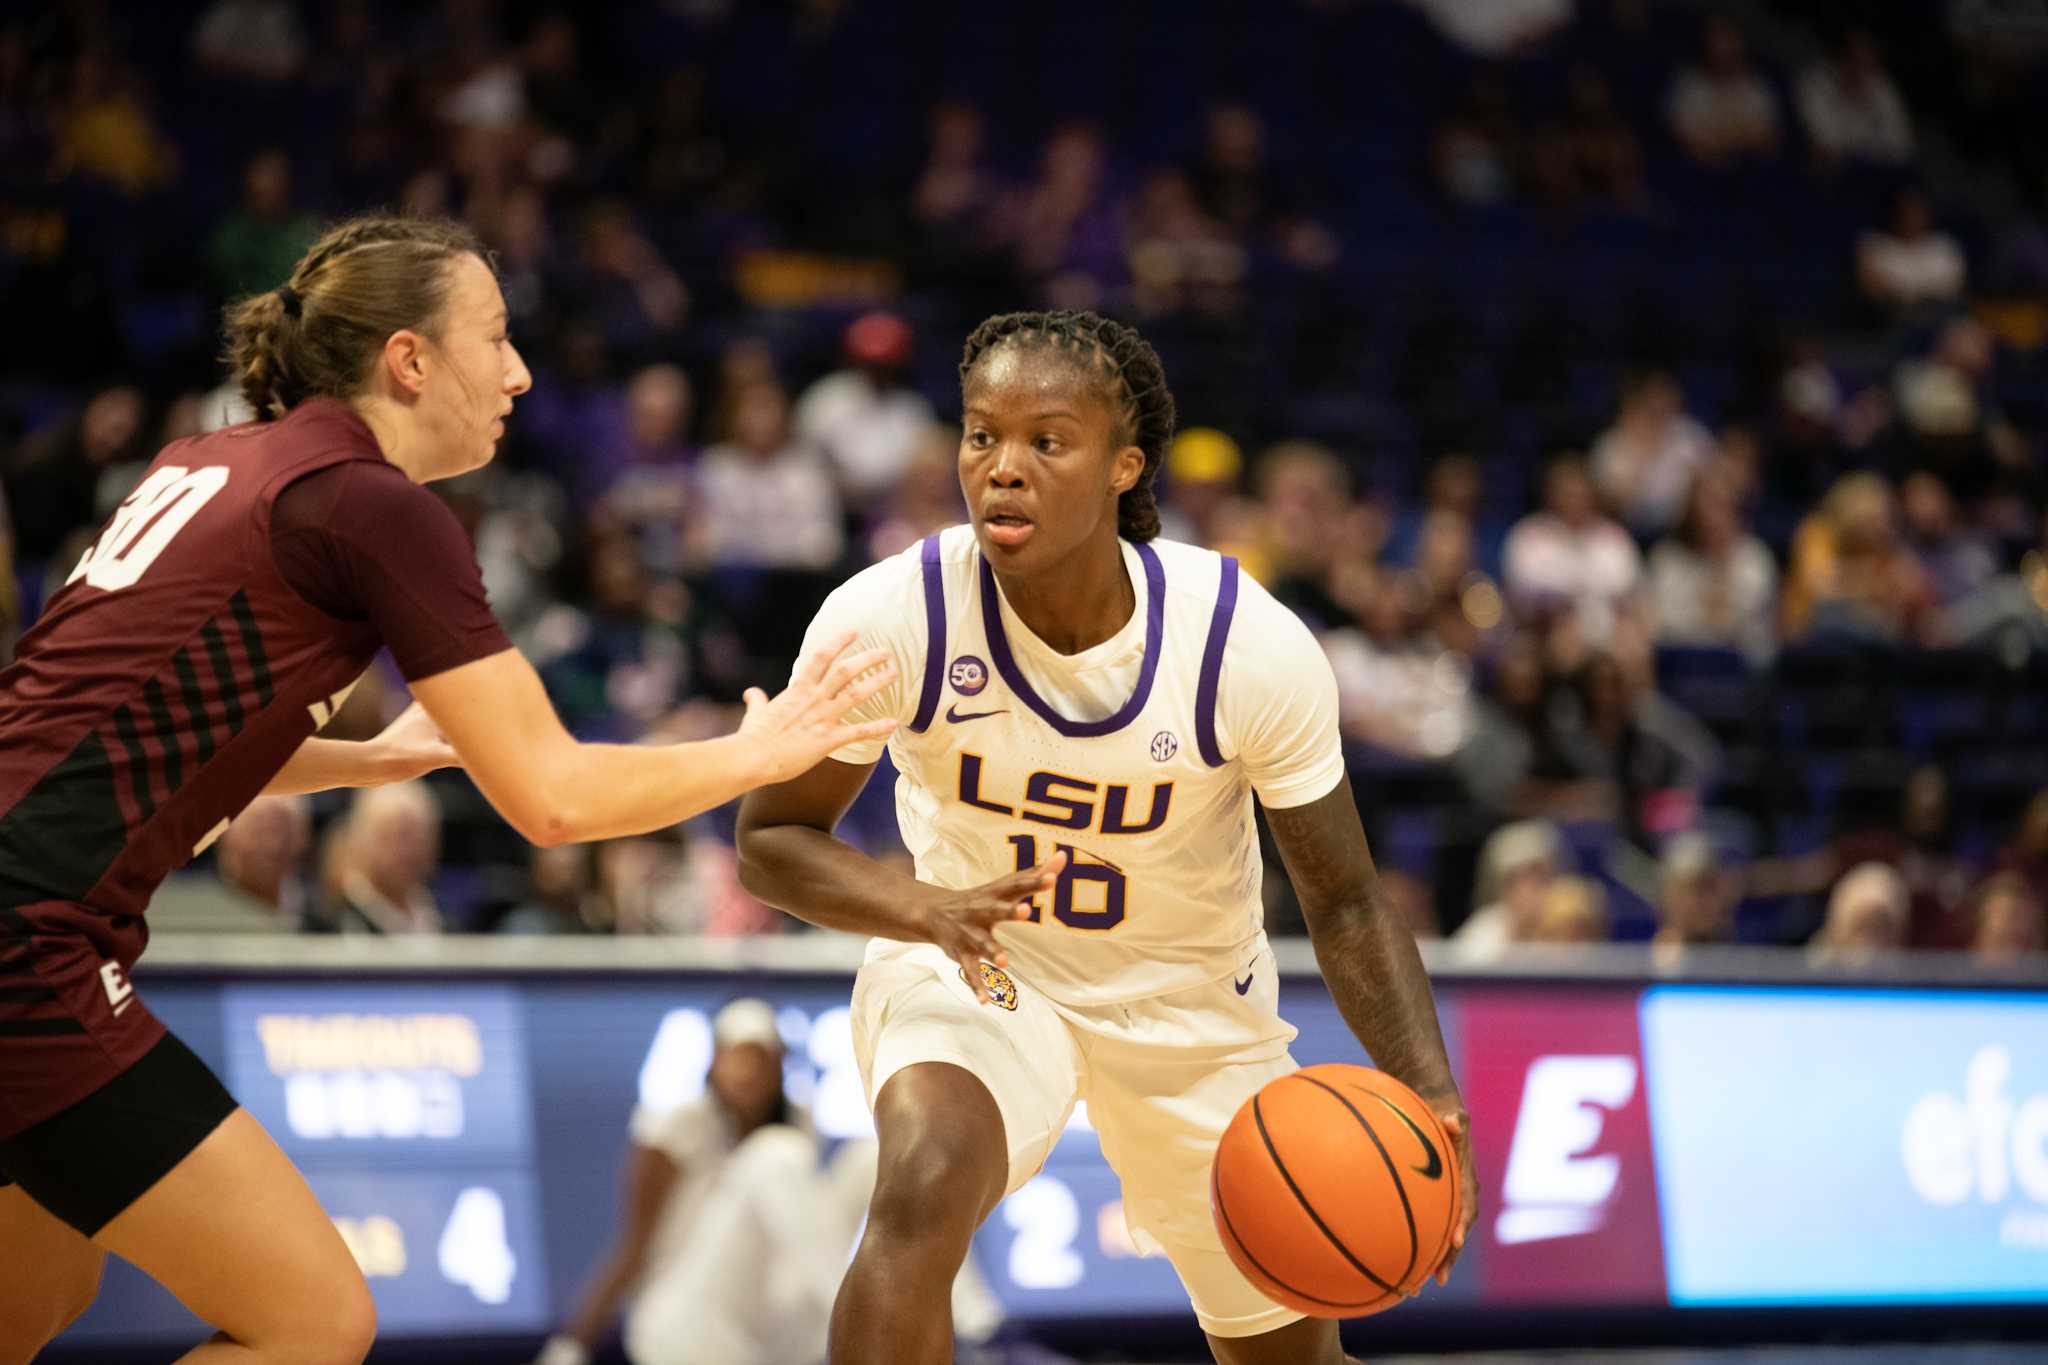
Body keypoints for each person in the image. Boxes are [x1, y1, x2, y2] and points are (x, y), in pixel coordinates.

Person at [0, 214, 896, 1365]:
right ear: (409, 360)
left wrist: (379, 760)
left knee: (34, 1288)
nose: (519, 371)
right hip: (30, 940)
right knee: (311, 1323)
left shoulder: (209, 462)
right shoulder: (366, 503)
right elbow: (555, 803)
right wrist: (761, 756)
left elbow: (130, 734)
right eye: (495, 336)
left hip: (26, 905)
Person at [736, 309, 1475, 1365]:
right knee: (921, 1182)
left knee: (1289, 1351)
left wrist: (1431, 1095)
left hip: (1187, 998)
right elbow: (769, 840)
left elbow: (1347, 900)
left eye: (1046, 441)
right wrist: (920, 908)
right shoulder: (894, 615)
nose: (1001, 469)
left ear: (1124, 466)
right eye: (981, 435)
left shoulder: (1241, 642)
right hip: (977, 965)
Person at [536, 999, 847, 1365]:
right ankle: (856, 1315)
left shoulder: (799, 1124)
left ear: (779, 1069)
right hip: (684, 1316)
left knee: (866, 1159)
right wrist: (569, 1349)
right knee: (776, 1153)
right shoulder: (675, 1130)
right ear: (714, 1062)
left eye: (760, 1060)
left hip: (761, 1319)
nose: (747, 1073)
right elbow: (633, 1247)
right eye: (737, 1057)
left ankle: (873, 1322)